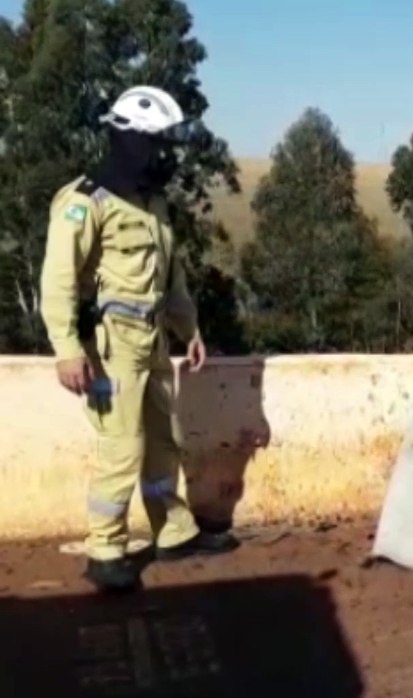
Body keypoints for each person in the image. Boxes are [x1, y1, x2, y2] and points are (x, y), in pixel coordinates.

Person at [39, 85, 239, 594]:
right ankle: (105, 547)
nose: (162, 151)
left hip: (151, 341)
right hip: (110, 349)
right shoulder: (85, 203)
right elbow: (58, 280)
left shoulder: (153, 202)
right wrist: (67, 350)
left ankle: (172, 532)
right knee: (121, 447)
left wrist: (188, 330)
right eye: (153, 140)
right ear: (126, 139)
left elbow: (171, 279)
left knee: (162, 444)